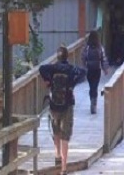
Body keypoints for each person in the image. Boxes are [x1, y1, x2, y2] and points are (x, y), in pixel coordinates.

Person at [40, 46, 86, 175]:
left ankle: (57, 157)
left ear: (57, 56)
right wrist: (73, 83)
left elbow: (41, 69)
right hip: (68, 104)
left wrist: (49, 81)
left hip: (54, 104)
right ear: (67, 56)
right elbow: (83, 72)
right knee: (65, 135)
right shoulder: (71, 69)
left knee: (56, 131)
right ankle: (64, 168)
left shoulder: (53, 68)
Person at [81, 30, 109, 114]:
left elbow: (83, 57)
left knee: (91, 87)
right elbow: (103, 58)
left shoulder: (86, 47)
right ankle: (94, 104)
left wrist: (84, 66)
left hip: (89, 69)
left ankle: (92, 101)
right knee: (95, 86)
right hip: (97, 69)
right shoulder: (100, 47)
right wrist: (105, 69)